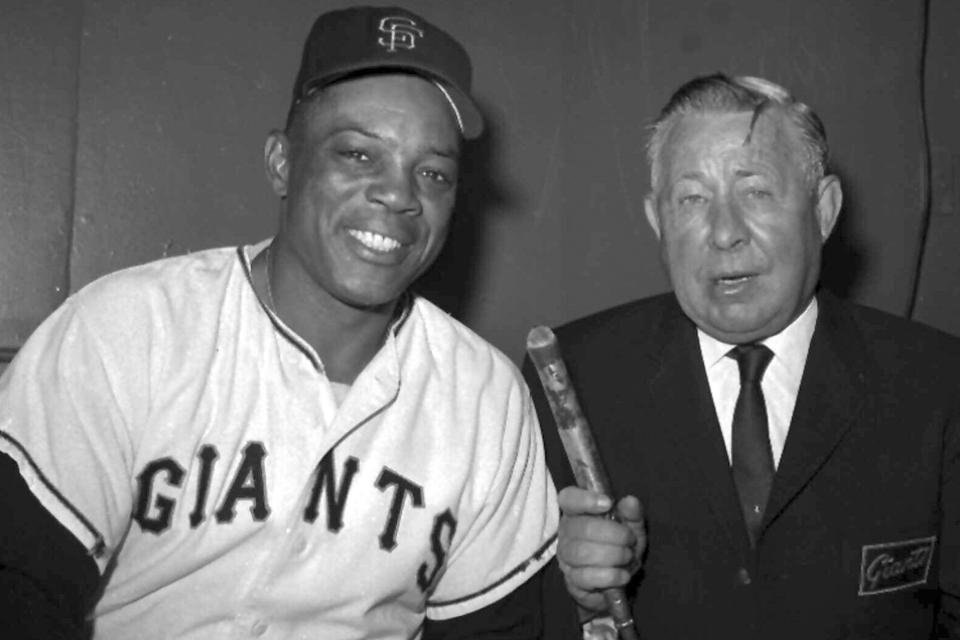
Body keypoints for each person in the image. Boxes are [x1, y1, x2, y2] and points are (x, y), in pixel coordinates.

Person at [0, 6, 558, 638]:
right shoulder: (129, 331)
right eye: (357, 154)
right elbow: (19, 586)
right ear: (282, 163)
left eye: (433, 173)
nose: (400, 195)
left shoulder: (487, 398)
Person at [525, 73, 960, 639]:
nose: (724, 232)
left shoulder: (936, 384)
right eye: (692, 199)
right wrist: (581, 605)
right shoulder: (572, 378)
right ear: (658, 221)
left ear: (824, 211)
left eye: (755, 191)